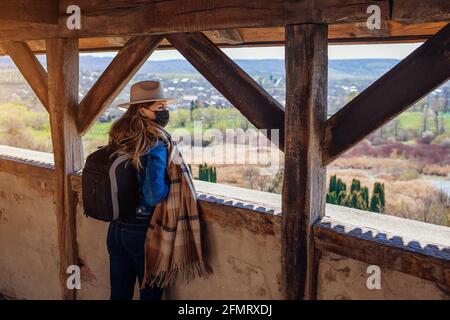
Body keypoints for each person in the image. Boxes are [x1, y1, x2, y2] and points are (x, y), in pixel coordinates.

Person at [106, 80, 176, 300]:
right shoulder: (155, 141)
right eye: (160, 107)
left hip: (116, 228)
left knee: (118, 296)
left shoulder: (118, 136)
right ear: (142, 110)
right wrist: (172, 185)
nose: (165, 112)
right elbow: (153, 195)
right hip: (143, 230)